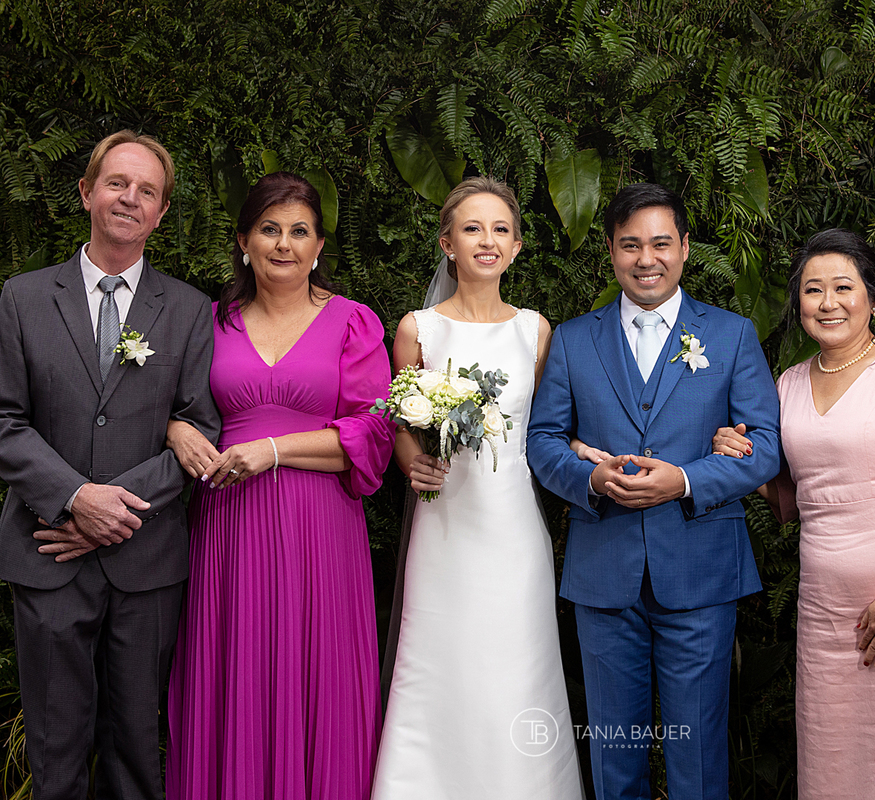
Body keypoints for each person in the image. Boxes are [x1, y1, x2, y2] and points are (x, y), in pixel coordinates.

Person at [526, 183, 781, 800]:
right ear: (611, 252)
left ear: (686, 248)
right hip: (604, 570)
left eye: (661, 243)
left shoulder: (730, 335)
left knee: (698, 753)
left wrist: (687, 479)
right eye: (631, 244)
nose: (647, 259)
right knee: (615, 756)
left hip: (700, 569)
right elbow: (543, 440)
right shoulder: (574, 338)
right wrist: (588, 477)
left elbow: (767, 447)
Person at [711, 228, 875, 800]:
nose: (827, 302)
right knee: (831, 762)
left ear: (872, 297)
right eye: (812, 290)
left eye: (842, 287)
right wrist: (734, 454)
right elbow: (786, 496)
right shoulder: (787, 384)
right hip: (825, 610)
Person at [0, 131, 221, 800]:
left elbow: (201, 429)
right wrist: (73, 497)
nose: (130, 198)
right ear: (87, 193)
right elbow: (5, 420)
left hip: (145, 561)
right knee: (56, 746)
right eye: (118, 183)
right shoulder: (22, 298)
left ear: (161, 213)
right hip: (48, 555)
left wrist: (108, 509)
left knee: (134, 749)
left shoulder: (187, 311)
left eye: (147, 191)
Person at [163, 172, 394, 799]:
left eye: (299, 231)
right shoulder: (206, 322)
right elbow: (156, 401)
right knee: (232, 671)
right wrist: (175, 427)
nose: (283, 244)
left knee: (317, 674)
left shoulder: (354, 324)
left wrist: (272, 449)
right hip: (227, 530)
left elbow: (371, 437)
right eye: (269, 229)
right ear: (244, 240)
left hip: (321, 531)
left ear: (319, 245)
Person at [372, 177, 584, 799]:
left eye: (500, 229)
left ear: (517, 247)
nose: (486, 240)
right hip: (443, 525)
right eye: (472, 229)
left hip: (513, 528)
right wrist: (415, 464)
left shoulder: (536, 332)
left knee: (516, 668)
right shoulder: (417, 329)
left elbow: (549, 428)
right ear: (447, 243)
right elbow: (399, 419)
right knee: (439, 663)